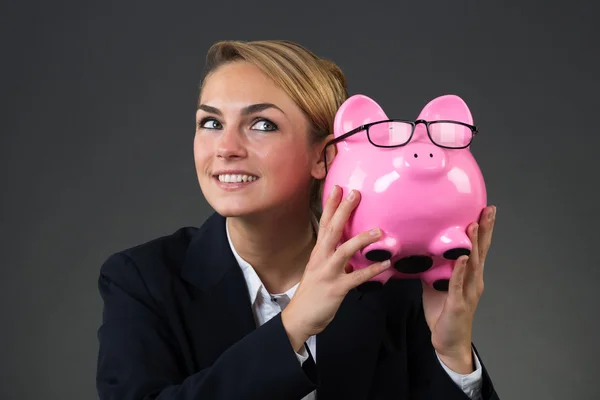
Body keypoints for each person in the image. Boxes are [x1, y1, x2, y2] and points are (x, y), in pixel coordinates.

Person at [96, 39, 500, 400]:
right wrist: (290, 330)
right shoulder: (141, 280)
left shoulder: (391, 282)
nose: (226, 148)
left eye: (262, 124)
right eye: (212, 123)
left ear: (324, 156)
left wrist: (453, 353)